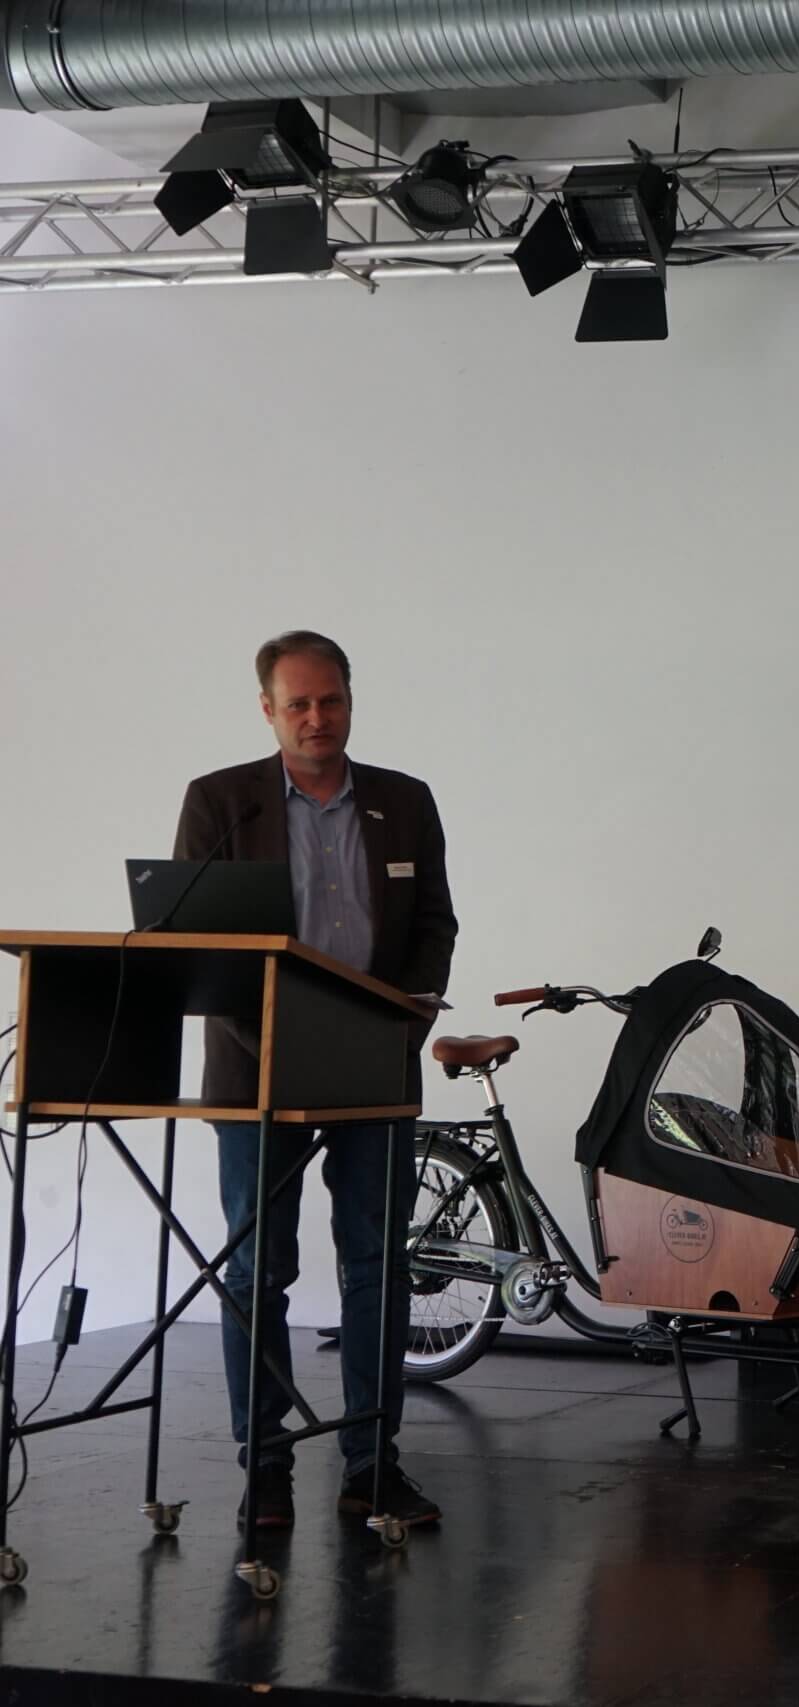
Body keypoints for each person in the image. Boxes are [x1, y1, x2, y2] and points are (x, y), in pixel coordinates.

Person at [174, 631, 455, 1531]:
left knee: (377, 1263)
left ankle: (372, 1466)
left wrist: (408, 1016)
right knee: (259, 1267)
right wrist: (269, 1036)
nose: (316, 717)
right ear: (268, 709)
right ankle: (264, 1470)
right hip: (256, 1067)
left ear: (349, 700)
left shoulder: (405, 802)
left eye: (329, 699)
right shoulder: (221, 802)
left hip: (375, 1060)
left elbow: (435, 925)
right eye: (297, 703)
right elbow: (196, 939)